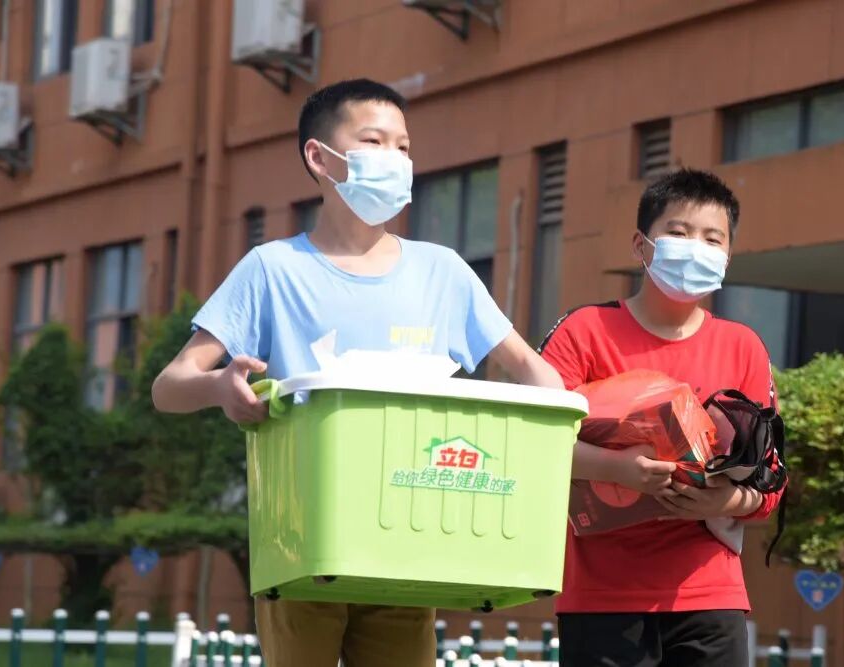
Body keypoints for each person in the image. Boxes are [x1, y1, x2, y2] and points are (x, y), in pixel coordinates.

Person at [152, 78, 564, 667]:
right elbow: (169, 386)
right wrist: (221, 386)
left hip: (409, 540)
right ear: (319, 157)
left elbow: (530, 369)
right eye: (374, 141)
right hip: (301, 543)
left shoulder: (442, 272)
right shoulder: (272, 269)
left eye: (403, 146)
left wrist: (572, 434)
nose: (394, 158)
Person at [539, 168, 784, 667]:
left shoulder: (743, 347)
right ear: (641, 245)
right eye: (678, 232)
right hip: (601, 599)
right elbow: (531, 444)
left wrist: (721, 500)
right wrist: (617, 468)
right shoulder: (584, 332)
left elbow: (771, 485)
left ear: (727, 256)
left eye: (712, 239)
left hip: (710, 596)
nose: (696, 248)